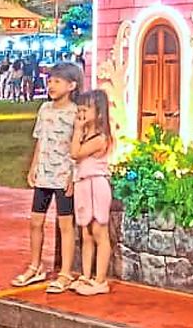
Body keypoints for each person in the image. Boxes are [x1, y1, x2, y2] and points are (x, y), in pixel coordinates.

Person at [11, 61, 83, 293]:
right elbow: (40, 140)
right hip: (44, 174)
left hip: (63, 176)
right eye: (50, 80)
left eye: (57, 81)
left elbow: (77, 145)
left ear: (72, 85)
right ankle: (35, 266)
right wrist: (33, 167)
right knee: (35, 221)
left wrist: (73, 175)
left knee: (65, 224)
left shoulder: (76, 113)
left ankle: (65, 273)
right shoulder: (45, 109)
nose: (51, 85)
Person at [69, 90, 112, 295]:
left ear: (99, 113)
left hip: (96, 186)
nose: (81, 112)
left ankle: (100, 280)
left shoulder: (99, 138)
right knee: (85, 233)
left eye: (86, 109)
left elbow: (75, 154)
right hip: (83, 185)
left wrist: (77, 130)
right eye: (80, 108)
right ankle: (86, 276)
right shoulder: (85, 135)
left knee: (98, 231)